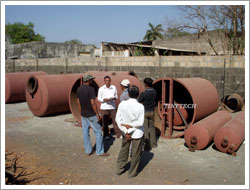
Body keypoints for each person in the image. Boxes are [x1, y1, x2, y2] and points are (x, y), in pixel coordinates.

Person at [77, 74, 109, 157]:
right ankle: (99, 152)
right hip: (91, 115)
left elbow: (78, 102)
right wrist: (97, 114)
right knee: (98, 132)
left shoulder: (79, 89)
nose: (92, 81)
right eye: (91, 80)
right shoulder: (91, 89)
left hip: (83, 115)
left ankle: (88, 151)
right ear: (88, 80)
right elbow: (92, 102)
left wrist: (81, 113)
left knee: (85, 132)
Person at [115, 85, 145, 178]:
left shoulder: (122, 104)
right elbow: (140, 122)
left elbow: (117, 119)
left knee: (124, 150)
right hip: (137, 133)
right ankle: (132, 173)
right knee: (135, 153)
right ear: (138, 94)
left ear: (128, 94)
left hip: (125, 132)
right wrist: (131, 129)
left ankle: (119, 169)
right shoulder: (140, 106)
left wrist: (126, 131)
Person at [97, 75, 122, 140]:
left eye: (108, 80)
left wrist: (113, 98)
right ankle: (106, 134)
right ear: (104, 81)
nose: (107, 82)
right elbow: (99, 98)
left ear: (110, 81)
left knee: (115, 120)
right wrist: (103, 99)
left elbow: (116, 96)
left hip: (112, 106)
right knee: (105, 121)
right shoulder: (101, 89)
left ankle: (118, 134)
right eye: (106, 81)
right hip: (104, 107)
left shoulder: (114, 87)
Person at [138, 78, 157, 151]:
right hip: (152, 111)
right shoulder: (154, 92)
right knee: (152, 128)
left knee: (145, 128)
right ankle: (154, 144)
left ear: (146, 84)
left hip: (145, 112)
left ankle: (147, 146)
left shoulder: (144, 93)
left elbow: (139, 100)